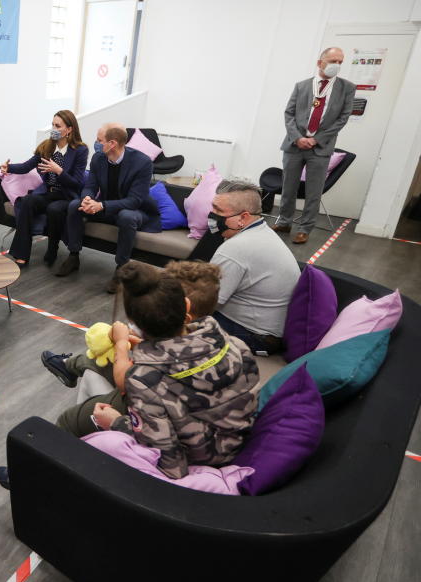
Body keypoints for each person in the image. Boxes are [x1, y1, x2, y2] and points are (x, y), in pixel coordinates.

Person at [0, 261, 258, 487]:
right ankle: (71, 367)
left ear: (138, 323)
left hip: (205, 454)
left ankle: (29, 478)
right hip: (228, 434)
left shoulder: (144, 379)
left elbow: (171, 464)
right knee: (103, 365)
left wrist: (117, 423)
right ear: (186, 307)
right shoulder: (231, 342)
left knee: (69, 420)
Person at [40, 260, 222, 388]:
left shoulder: (152, 368)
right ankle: (69, 365)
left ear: (185, 308)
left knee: (100, 361)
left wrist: (121, 344)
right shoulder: (215, 336)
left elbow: (125, 379)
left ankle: (70, 366)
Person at [56, 124, 160, 293]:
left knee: (126, 216)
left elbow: (134, 201)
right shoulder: (98, 158)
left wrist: (101, 205)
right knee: (75, 205)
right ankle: (74, 255)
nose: (96, 143)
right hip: (106, 207)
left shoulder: (142, 163)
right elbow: (90, 186)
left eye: (99, 140)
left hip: (134, 210)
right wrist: (87, 199)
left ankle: (121, 268)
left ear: (112, 143)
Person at [209, 180, 301, 355]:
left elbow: (206, 302)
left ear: (243, 217)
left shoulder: (235, 249)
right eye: (213, 207)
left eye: (219, 211)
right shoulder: (262, 232)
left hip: (255, 336)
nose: (212, 215)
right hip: (270, 331)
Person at [274, 47, 355, 244]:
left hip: (320, 149)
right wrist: (297, 137)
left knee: (313, 191)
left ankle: (305, 228)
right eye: (333, 60)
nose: (336, 65)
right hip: (294, 146)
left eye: (340, 62)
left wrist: (316, 139)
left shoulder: (347, 88)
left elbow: (342, 119)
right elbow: (289, 113)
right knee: (288, 187)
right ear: (320, 63)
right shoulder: (302, 86)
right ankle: (284, 222)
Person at [0, 110, 88, 266]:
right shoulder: (47, 146)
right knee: (27, 201)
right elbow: (26, 166)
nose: (53, 128)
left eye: (58, 125)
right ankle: (22, 254)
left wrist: (58, 171)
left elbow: (77, 183)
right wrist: (9, 167)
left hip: (66, 196)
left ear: (69, 129)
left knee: (54, 209)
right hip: (48, 193)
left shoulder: (80, 150)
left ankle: (52, 248)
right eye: (52, 124)